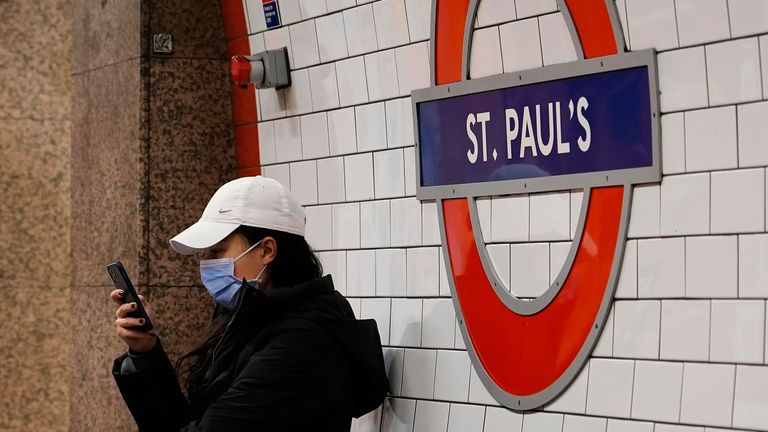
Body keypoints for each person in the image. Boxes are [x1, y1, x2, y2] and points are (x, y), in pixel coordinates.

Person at [109, 176, 388, 431]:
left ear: (266, 250)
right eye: (204, 253)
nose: (205, 264)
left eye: (217, 251)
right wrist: (144, 352)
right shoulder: (250, 319)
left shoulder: (301, 343)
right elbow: (183, 421)